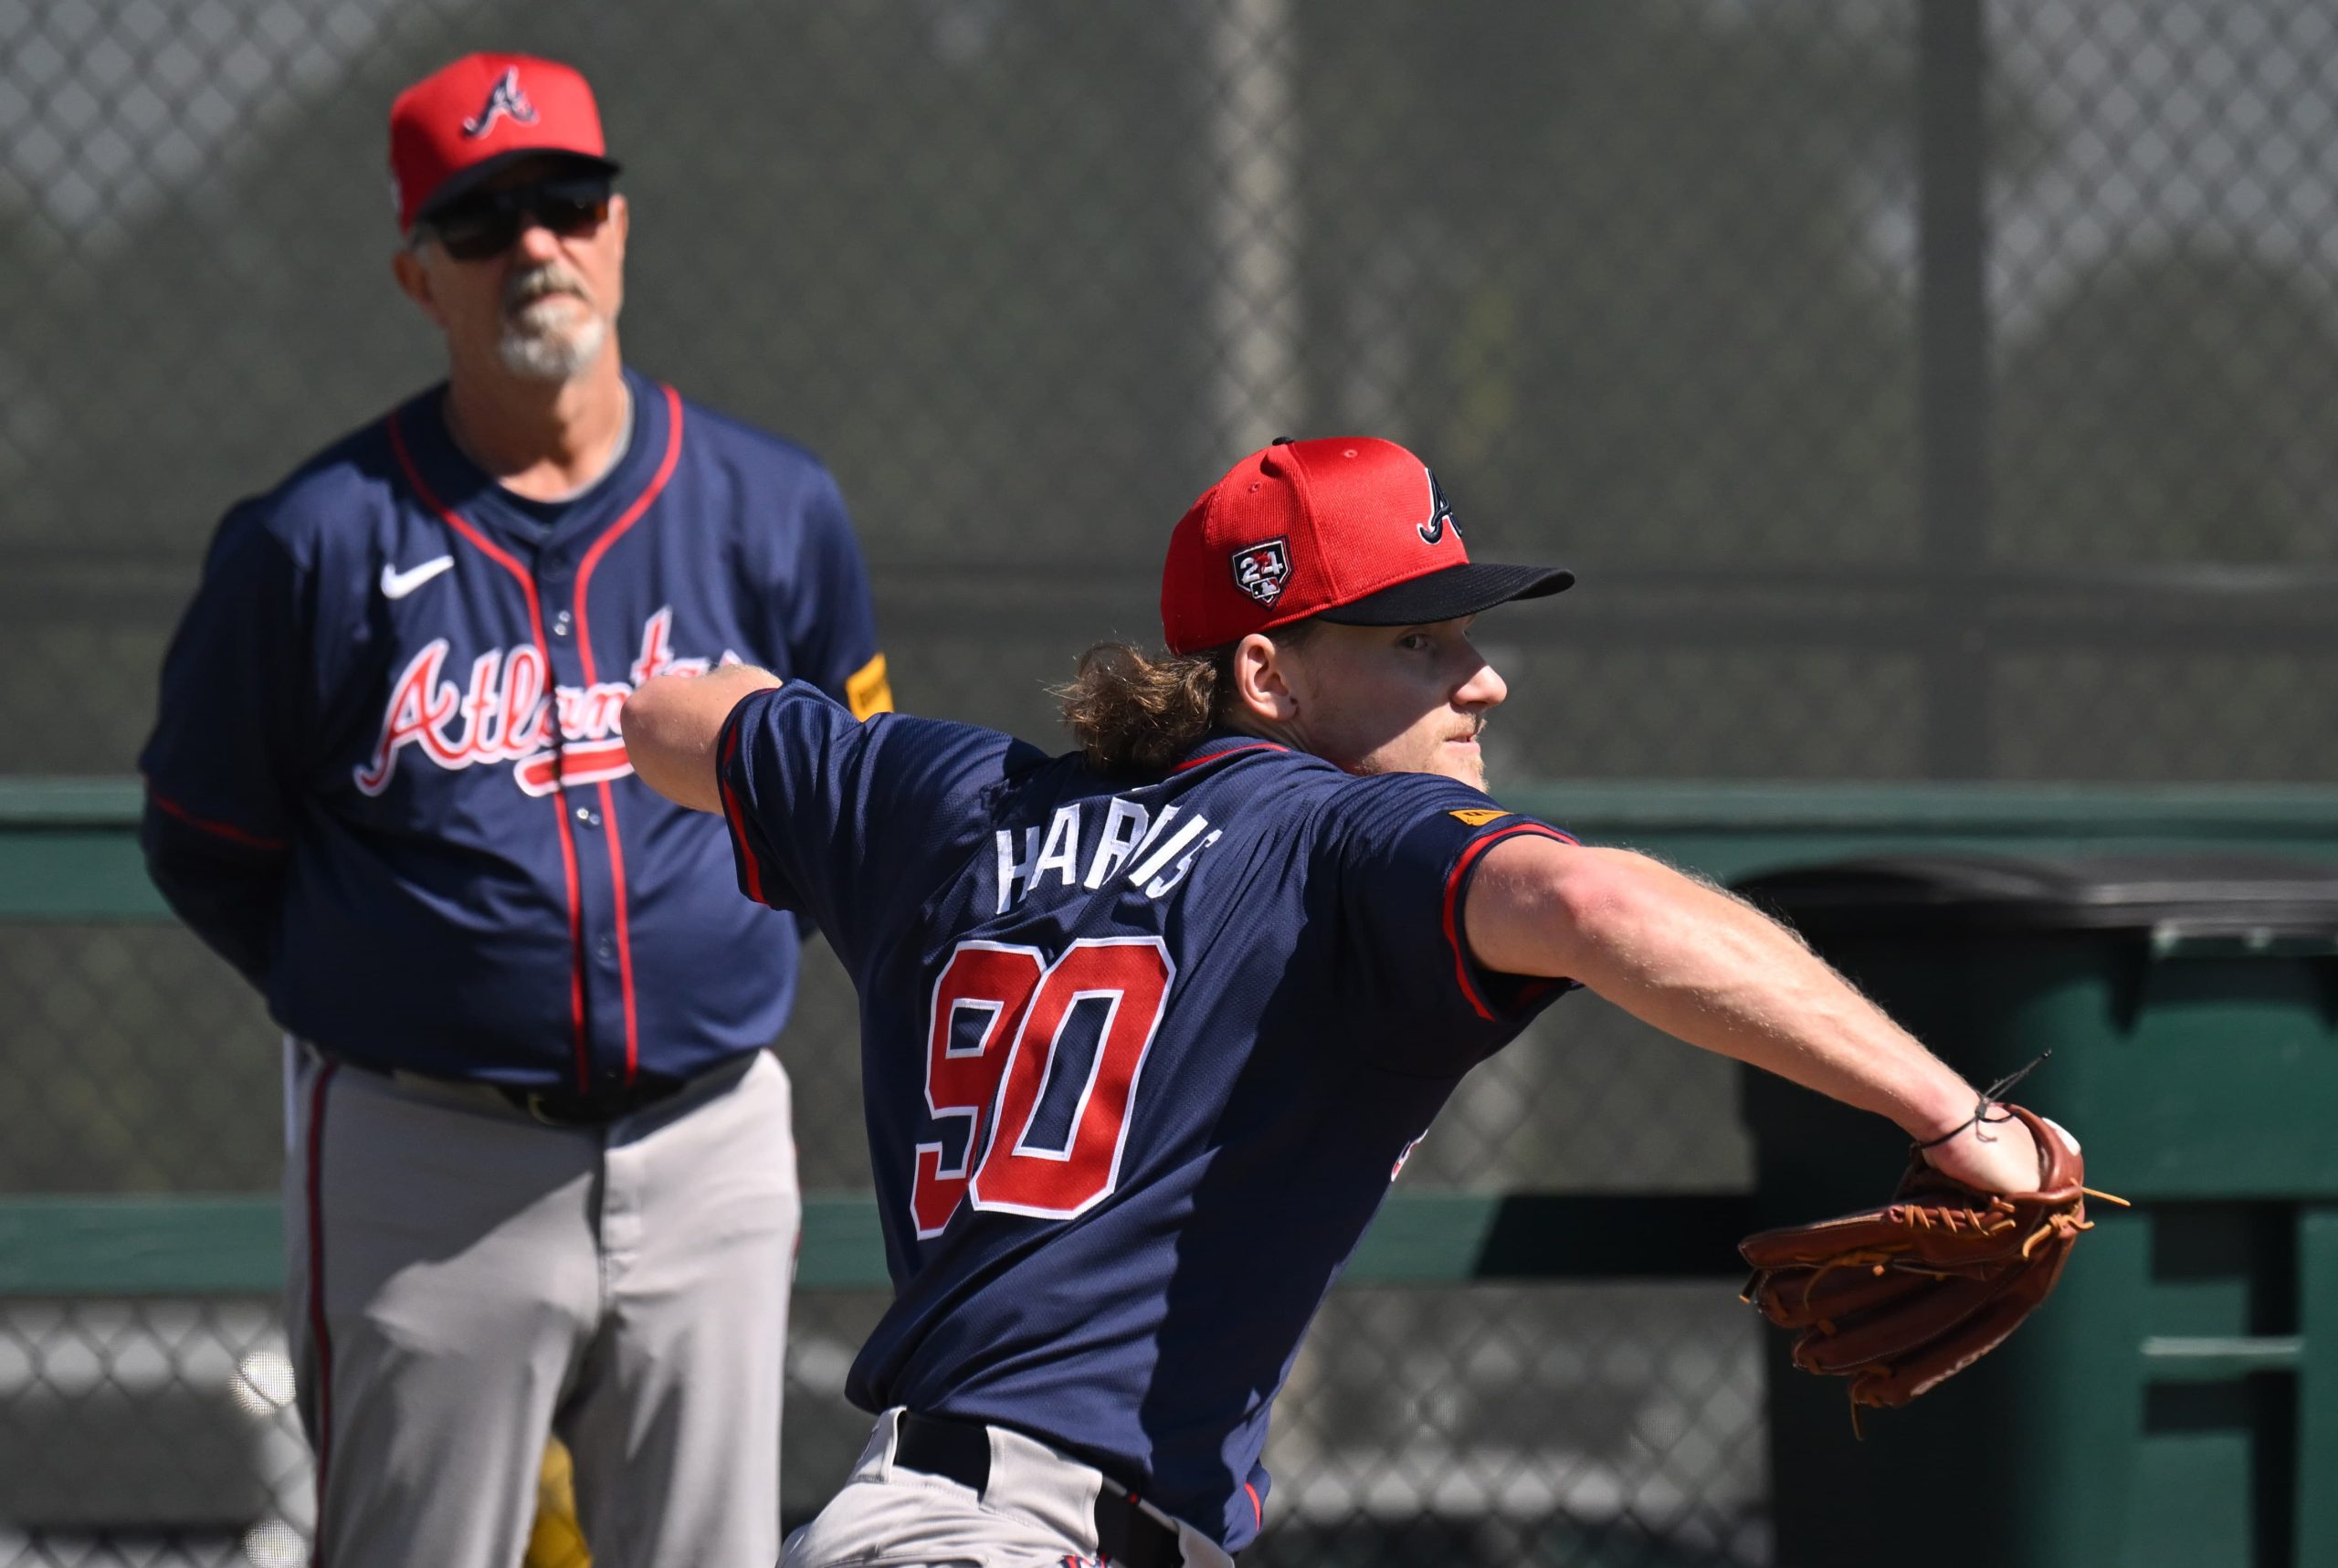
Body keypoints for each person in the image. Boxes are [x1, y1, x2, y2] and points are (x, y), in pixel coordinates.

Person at [624, 435, 2050, 1568]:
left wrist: (822, 754)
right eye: (1418, 640)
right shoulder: (1339, 842)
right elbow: (1597, 906)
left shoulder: (949, 798)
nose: (1483, 679)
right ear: (1266, 673)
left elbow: (669, 716)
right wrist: (1955, 1111)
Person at [137, 51, 890, 1568]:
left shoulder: (772, 507)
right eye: (482, 220)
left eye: (565, 201)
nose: (534, 244)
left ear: (619, 227)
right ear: (419, 274)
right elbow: (209, 843)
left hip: (709, 1139)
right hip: (427, 1158)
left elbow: (846, 806)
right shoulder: (313, 544)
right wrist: (394, 975)